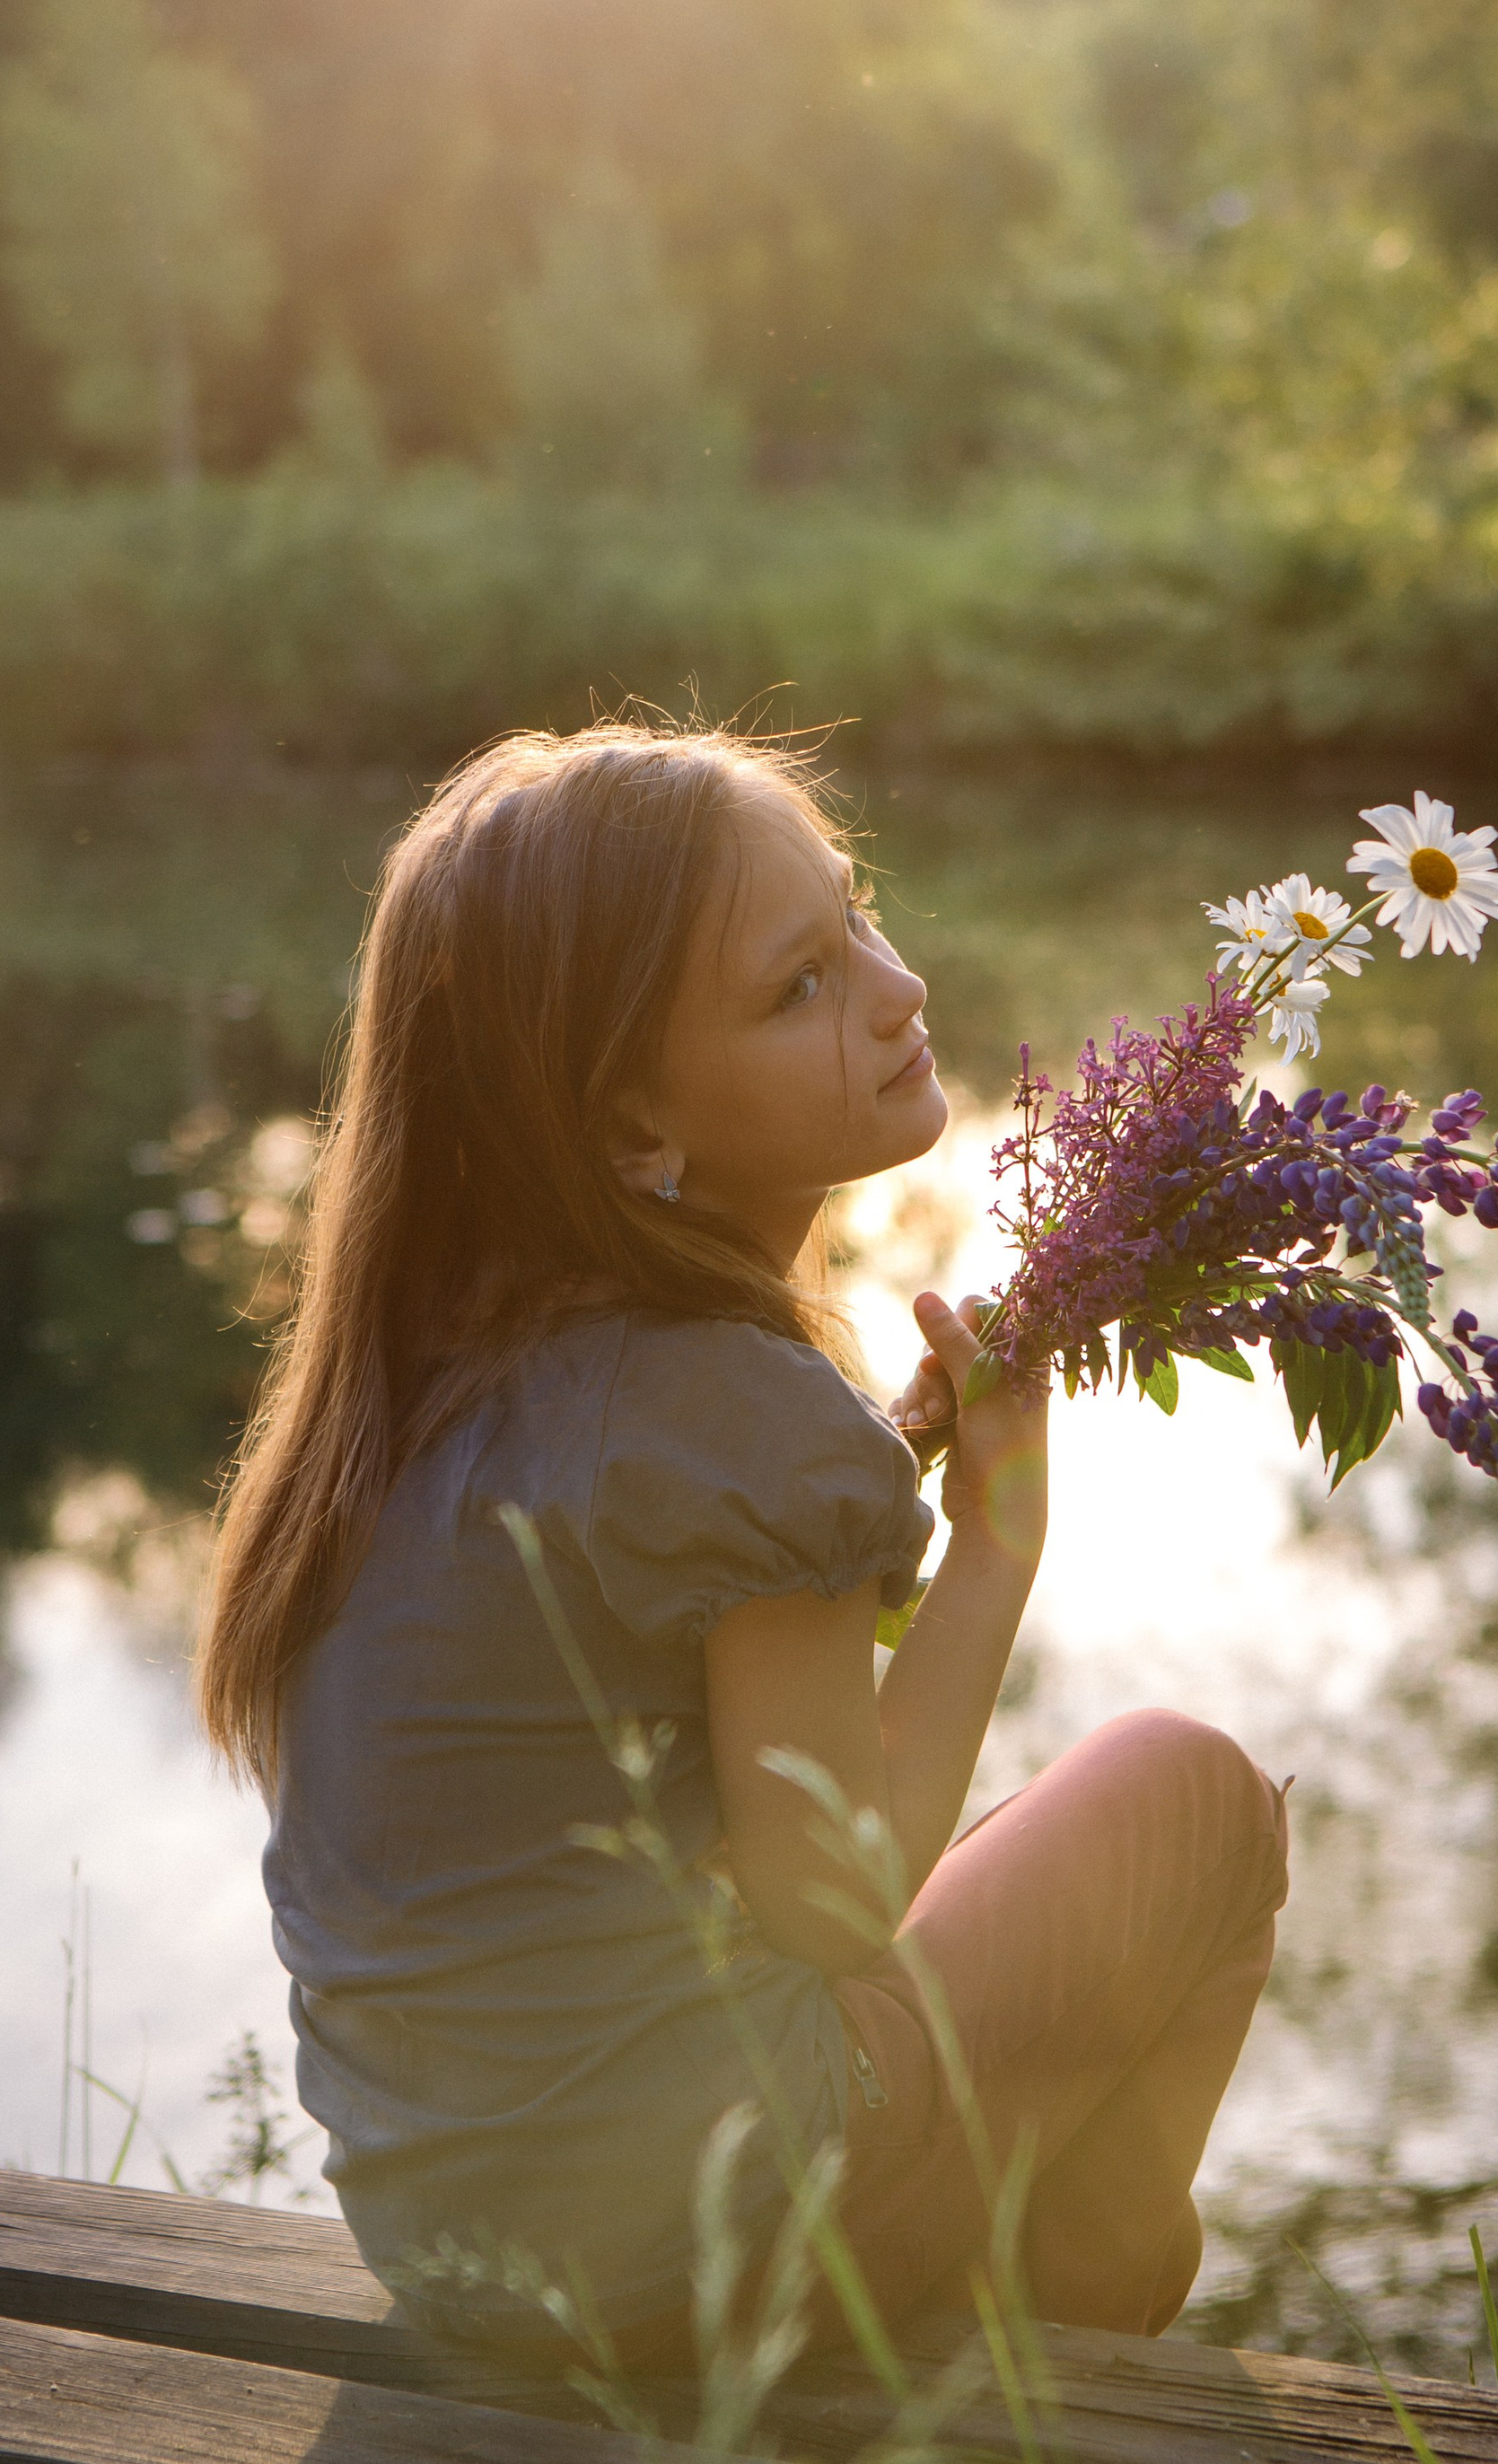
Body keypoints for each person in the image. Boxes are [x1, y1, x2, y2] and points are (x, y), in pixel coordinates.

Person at [197, 720, 1286, 2358]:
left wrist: (858, 1488)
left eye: (855, 914)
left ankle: (1033, 2303)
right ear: (635, 1129)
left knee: (1017, 1864)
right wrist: (995, 1532)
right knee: (1187, 1798)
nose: (895, 985)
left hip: (456, 2241)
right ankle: (1088, 2353)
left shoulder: (411, 1387)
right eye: (800, 985)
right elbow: (838, 1904)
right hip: (684, 2259)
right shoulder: (742, 1419)